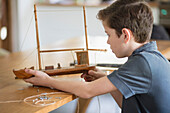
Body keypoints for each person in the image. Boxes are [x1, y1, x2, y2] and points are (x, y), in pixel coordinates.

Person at [24, 0, 170, 112]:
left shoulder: (142, 63)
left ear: (125, 35)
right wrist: (106, 81)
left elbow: (87, 91)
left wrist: (48, 81)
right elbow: (128, 106)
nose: (107, 41)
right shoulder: (151, 57)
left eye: (109, 35)